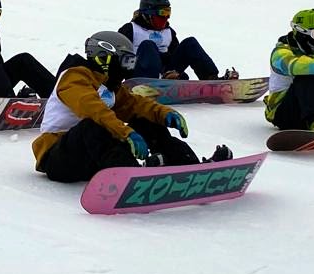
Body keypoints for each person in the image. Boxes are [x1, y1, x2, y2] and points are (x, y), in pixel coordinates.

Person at [32, 30, 233, 182]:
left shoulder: (109, 86)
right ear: (105, 58)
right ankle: (132, 177)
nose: (128, 68)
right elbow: (92, 109)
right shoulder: (74, 77)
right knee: (92, 126)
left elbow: (134, 104)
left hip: (92, 156)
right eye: (126, 62)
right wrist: (126, 133)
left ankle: (191, 168)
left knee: (145, 121)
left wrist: (164, 114)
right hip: (59, 158)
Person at [118, 0, 236, 80]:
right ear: (147, 15)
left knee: (190, 43)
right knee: (148, 45)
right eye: (162, 13)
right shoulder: (131, 29)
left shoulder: (169, 32)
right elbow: (118, 55)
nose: (166, 17)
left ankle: (211, 79)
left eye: (168, 12)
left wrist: (171, 71)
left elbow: (176, 55)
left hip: (164, 73)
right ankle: (155, 80)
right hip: (141, 74)